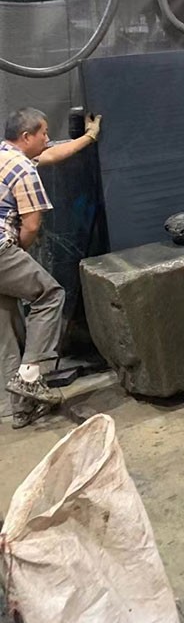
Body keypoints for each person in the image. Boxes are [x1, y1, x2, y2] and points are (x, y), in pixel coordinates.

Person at [0, 107, 102, 428]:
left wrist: (89, 137)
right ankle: (31, 375)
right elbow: (31, 226)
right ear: (26, 136)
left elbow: (52, 154)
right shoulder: (23, 170)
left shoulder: (5, 157)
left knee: (6, 326)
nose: (47, 138)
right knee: (50, 295)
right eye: (43, 133)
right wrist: (18, 254)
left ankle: (21, 410)